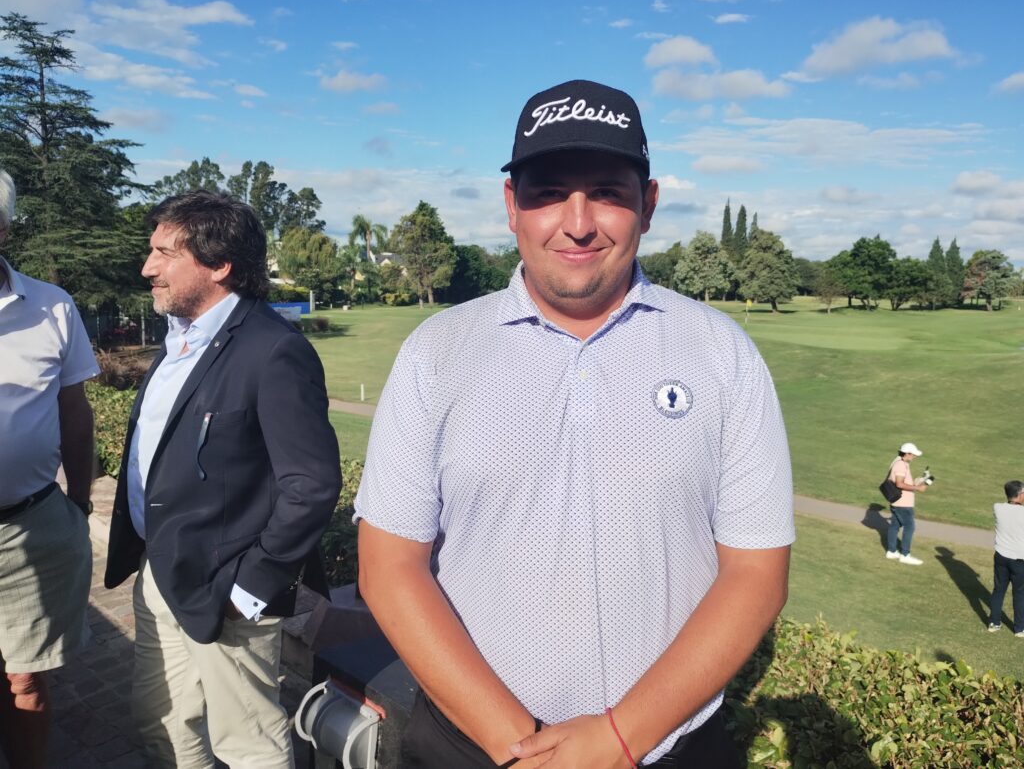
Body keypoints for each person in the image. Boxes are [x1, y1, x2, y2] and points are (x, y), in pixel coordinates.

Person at [355, 79, 794, 768]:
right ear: (512, 206)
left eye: (608, 192)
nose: (579, 222)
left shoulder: (721, 352)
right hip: (471, 744)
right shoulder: (436, 353)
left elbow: (756, 572)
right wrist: (522, 748)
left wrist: (620, 737)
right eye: (550, 192)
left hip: (667, 747)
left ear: (648, 204)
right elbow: (389, 567)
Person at [103, 190, 341, 768]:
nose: (148, 268)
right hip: (161, 571)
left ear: (219, 265)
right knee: (162, 722)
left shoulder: (273, 350)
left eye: (165, 253)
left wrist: (248, 589)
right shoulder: (179, 339)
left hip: (227, 588)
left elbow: (311, 485)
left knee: (248, 744)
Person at [0, 169, 98, 768]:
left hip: (31, 529)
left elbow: (75, 413)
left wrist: (79, 502)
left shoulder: (52, 306)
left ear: (4, 229)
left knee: (27, 680)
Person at [987, 480, 1024, 636]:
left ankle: (994, 623)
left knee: (999, 590)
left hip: (1001, 556)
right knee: (1020, 593)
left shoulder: (997, 507)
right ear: (1019, 494)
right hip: (1019, 560)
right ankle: (1019, 628)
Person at [885, 442, 927, 566]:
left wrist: (917, 482)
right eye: (913, 454)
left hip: (897, 501)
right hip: (903, 503)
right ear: (907, 453)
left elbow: (901, 481)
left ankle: (891, 551)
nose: (915, 456)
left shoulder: (898, 461)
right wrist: (917, 488)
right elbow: (899, 484)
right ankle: (905, 555)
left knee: (895, 525)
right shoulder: (901, 465)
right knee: (909, 527)